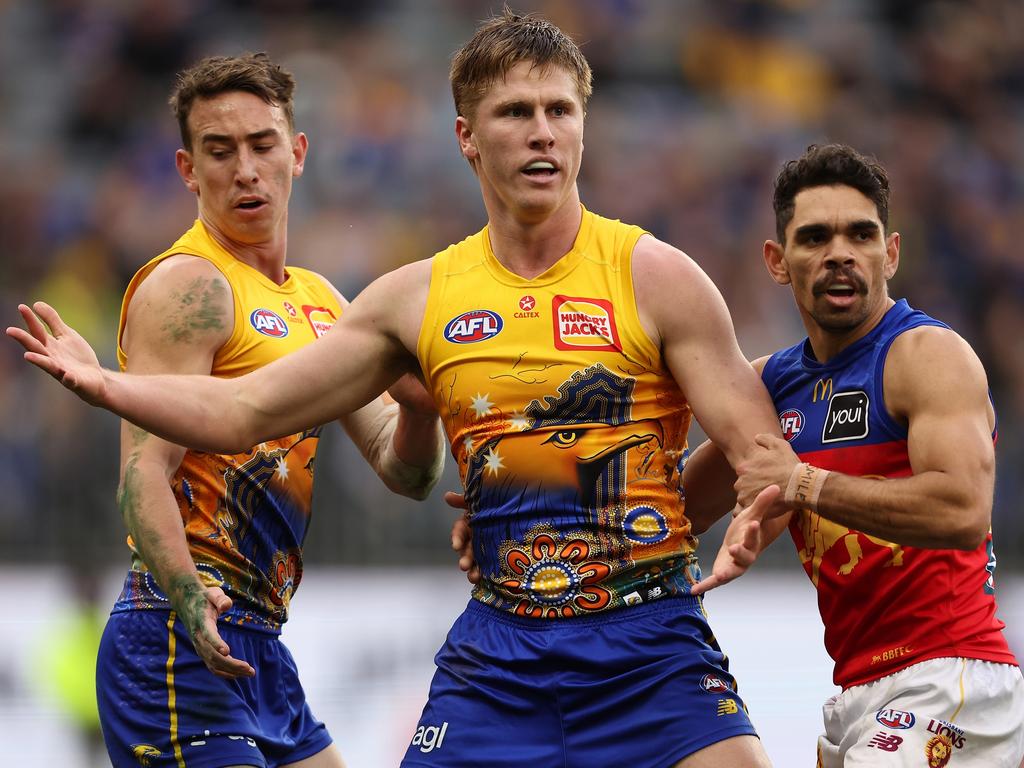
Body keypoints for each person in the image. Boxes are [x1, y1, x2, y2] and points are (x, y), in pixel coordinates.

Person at [8, 12, 785, 767]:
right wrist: (108, 388)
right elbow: (232, 417)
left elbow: (410, 473)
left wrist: (741, 502)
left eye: (560, 110)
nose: (543, 131)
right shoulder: (384, 298)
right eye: (517, 112)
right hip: (468, 652)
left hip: (643, 643)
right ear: (467, 139)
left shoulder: (658, 277)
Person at [34, 52, 445, 768]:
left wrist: (418, 410)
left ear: (298, 153)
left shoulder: (325, 305)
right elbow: (142, 476)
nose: (245, 169)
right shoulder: (189, 288)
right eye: (219, 152)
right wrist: (191, 603)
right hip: (177, 635)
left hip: (260, 647)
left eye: (262, 145)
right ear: (189, 170)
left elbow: (405, 473)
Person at [688, 143, 1024, 767]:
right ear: (777, 261)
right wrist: (516, 512)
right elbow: (674, 508)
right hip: (858, 693)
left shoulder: (926, 355)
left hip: (949, 677)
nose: (839, 252)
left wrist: (803, 483)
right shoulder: (773, 386)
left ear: (889, 252)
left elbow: (963, 510)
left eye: (860, 234)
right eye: (814, 237)